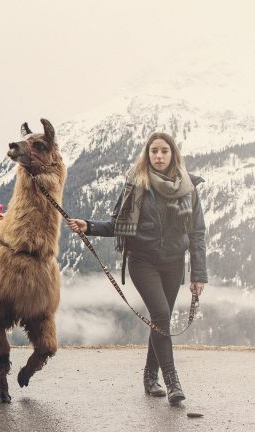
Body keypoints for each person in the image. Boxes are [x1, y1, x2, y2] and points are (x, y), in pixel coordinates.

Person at [67, 132, 207, 406]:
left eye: (164, 151)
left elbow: (197, 233)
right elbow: (117, 224)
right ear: (147, 154)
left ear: (173, 154)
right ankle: (172, 381)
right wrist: (89, 226)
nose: (158, 156)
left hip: (174, 263)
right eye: (153, 151)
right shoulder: (136, 185)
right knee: (162, 314)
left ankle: (149, 376)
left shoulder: (188, 188)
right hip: (142, 262)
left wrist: (199, 274)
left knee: (160, 321)